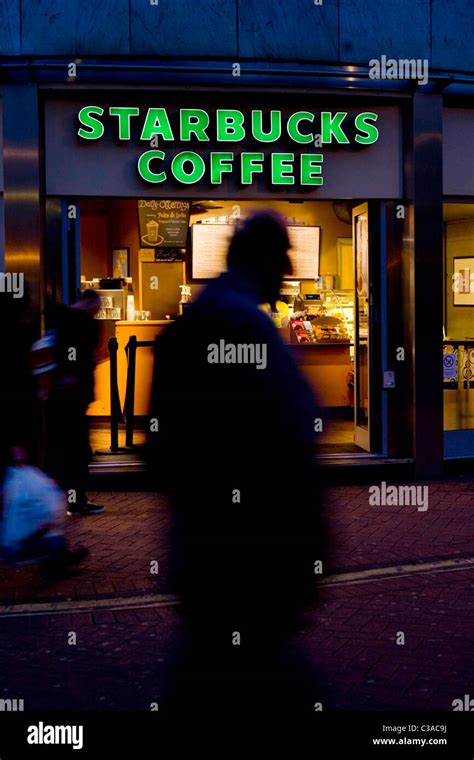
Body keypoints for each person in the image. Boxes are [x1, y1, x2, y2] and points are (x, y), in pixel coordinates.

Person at [149, 210, 326, 720]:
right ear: (264, 259)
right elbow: (292, 437)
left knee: (210, 672)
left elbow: (161, 448)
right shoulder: (245, 324)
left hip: (206, 550)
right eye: (284, 257)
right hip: (250, 555)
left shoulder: (199, 319)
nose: (290, 269)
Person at [46, 290, 105, 517]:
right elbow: (83, 356)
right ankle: (76, 501)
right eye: (96, 308)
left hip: (59, 397)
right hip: (75, 396)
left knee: (64, 449)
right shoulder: (82, 323)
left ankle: (66, 499)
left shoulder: (58, 318)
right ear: (90, 303)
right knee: (78, 451)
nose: (96, 313)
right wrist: (74, 373)